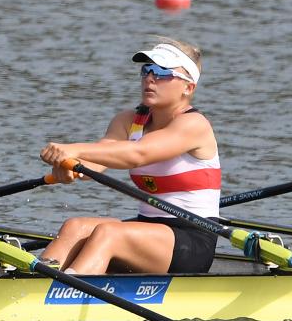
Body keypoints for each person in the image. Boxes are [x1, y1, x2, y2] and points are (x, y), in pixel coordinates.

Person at [37, 37, 221, 275]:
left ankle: (59, 296)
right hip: (146, 229)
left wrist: (75, 149)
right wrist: (70, 165)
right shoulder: (129, 120)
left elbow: (138, 154)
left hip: (192, 240)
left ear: (188, 87)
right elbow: (97, 161)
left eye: (162, 73)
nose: (150, 79)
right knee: (76, 226)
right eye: (146, 71)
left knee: (108, 233)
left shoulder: (194, 125)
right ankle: (32, 283)